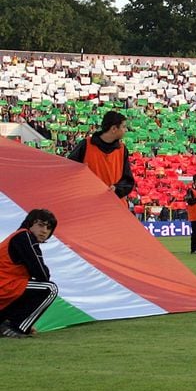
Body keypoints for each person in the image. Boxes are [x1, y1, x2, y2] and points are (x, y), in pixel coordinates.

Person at [0, 209, 58, 338]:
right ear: (30, 224)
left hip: (7, 291)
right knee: (49, 288)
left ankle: (10, 324)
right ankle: (18, 327)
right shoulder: (24, 236)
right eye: (41, 225)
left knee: (32, 288)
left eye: (49, 228)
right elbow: (42, 275)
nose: (44, 231)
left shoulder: (18, 237)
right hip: (4, 288)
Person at [67, 110, 135, 199]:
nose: (126, 130)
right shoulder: (86, 145)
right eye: (124, 127)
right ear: (114, 129)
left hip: (114, 204)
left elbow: (128, 181)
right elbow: (70, 170)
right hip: (89, 202)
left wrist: (117, 189)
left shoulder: (122, 149)